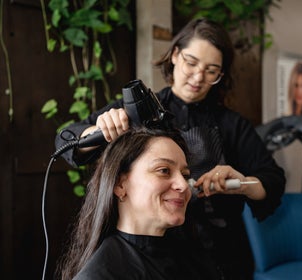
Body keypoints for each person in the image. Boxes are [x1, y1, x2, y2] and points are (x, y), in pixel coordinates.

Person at [56, 18, 286, 279]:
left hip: (221, 253)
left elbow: (273, 181)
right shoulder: (140, 112)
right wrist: (98, 131)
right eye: (192, 62)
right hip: (156, 250)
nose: (199, 77)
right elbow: (66, 141)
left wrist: (242, 182)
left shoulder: (232, 125)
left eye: (212, 70)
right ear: (175, 55)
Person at [56, 127, 221, 279]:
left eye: (185, 175)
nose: (184, 185)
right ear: (120, 185)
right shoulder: (100, 275)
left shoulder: (193, 260)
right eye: (164, 171)